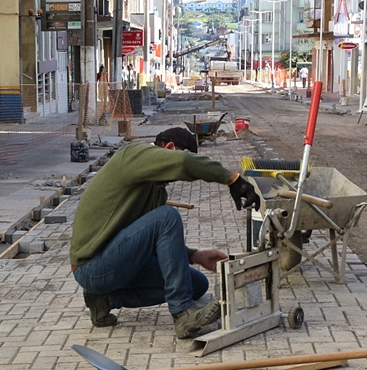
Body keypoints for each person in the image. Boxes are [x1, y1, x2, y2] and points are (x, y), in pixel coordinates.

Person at [70, 127, 261, 339]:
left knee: (197, 284)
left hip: (111, 264)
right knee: (167, 216)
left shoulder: (155, 191)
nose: (175, 177)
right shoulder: (133, 154)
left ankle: (104, 299)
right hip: (91, 266)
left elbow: (149, 240)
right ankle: (182, 313)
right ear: (169, 148)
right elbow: (184, 162)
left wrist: (194, 256)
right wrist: (232, 179)